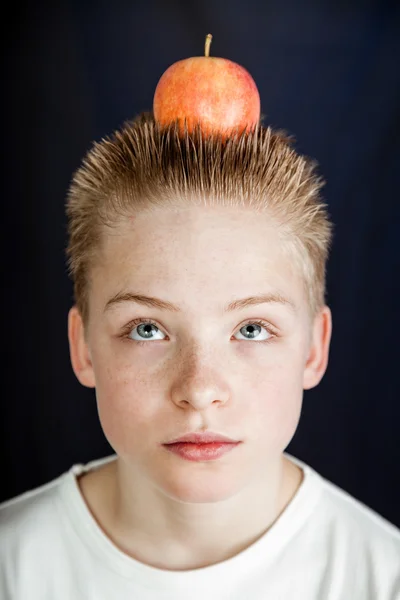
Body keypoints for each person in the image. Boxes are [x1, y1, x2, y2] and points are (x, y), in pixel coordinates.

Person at [0, 112, 399, 600]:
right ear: (83, 347)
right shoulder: (12, 567)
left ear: (314, 348)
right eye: (147, 329)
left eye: (252, 329)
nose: (199, 388)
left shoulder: (382, 578)